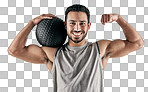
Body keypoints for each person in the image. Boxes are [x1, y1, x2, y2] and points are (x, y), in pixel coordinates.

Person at [8, 4, 144, 92]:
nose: (77, 28)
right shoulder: (53, 54)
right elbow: (14, 50)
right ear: (65, 25)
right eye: (72, 23)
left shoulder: (99, 49)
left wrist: (119, 19)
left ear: (89, 25)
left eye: (82, 23)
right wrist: (32, 23)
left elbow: (137, 43)